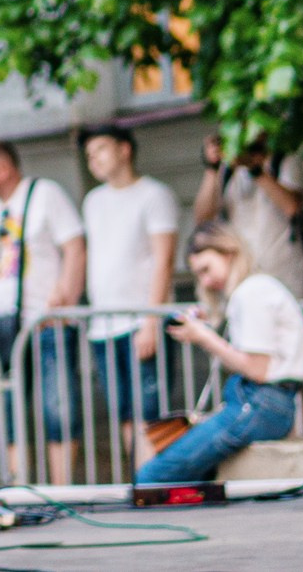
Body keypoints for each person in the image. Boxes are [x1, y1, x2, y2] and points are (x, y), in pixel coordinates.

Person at [136, 222, 303, 483]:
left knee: (152, 476)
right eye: (199, 275)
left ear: (229, 252)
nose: (206, 281)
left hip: (260, 402)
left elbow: (257, 369)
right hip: (267, 402)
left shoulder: (251, 292)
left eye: (206, 269)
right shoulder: (256, 289)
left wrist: (203, 337)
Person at [0, 140, 84, 487]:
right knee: (7, 409)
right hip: (4, 323)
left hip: (47, 320)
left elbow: (75, 246)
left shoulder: (44, 193)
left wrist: (66, 297)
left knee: (57, 407)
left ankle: (62, 491)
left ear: (2, 169)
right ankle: (17, 487)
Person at [80, 123, 180, 474]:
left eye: (101, 150)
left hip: (142, 319)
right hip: (104, 322)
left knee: (149, 408)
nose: (94, 160)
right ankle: (141, 478)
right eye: (89, 155)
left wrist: (151, 320)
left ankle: (154, 478)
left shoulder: (154, 195)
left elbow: (163, 259)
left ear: (125, 149)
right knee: (124, 410)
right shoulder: (93, 201)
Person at [194, 133, 303, 296]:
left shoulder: (283, 159)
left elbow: (293, 206)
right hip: (239, 279)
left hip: (282, 277)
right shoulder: (227, 170)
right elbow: (203, 220)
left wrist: (255, 170)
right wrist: (212, 168)